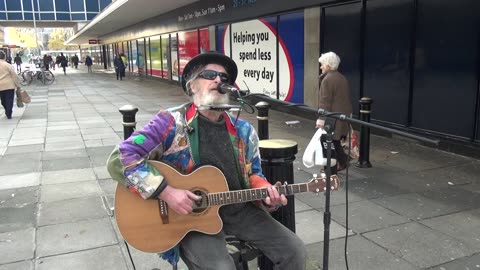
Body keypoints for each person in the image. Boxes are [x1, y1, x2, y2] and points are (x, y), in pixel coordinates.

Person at [106, 51, 306, 270]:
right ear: (192, 86)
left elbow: (253, 174)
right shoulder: (171, 122)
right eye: (210, 74)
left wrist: (267, 191)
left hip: (238, 209)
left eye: (224, 78)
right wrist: (166, 192)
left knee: (294, 250)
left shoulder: (244, 131)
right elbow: (120, 158)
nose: (219, 80)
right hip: (190, 217)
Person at [316, 51, 353, 172]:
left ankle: (330, 169)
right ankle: (343, 160)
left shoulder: (327, 79)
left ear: (328, 65)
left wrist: (321, 119)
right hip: (343, 115)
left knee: (327, 141)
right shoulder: (342, 77)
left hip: (332, 117)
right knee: (335, 141)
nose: (321, 67)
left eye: (322, 64)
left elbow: (324, 101)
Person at [0, 51, 21, 119]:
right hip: (9, 85)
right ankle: (9, 112)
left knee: (3, 100)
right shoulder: (8, 65)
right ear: (4, 57)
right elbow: (14, 76)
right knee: (9, 99)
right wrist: (18, 85)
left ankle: (7, 110)